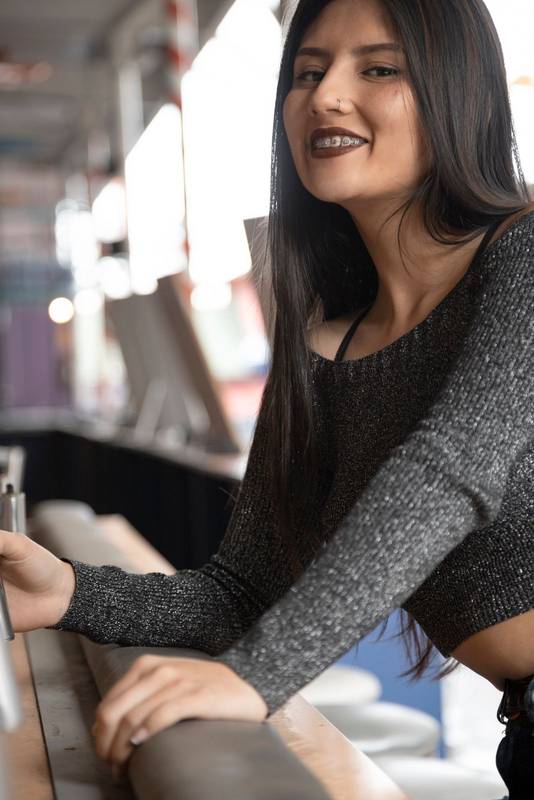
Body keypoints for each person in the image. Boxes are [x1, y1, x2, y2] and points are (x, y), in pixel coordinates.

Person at [1, 0, 533, 794]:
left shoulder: (522, 256)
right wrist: (71, 589)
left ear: (462, 94)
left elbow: (452, 466)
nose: (325, 96)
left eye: (378, 68)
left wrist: (257, 677)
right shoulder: (324, 343)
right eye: (308, 72)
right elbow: (241, 591)